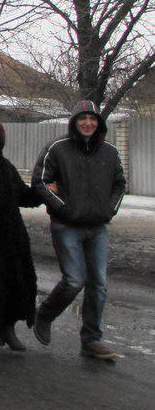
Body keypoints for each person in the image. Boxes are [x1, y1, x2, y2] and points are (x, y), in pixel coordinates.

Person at [31, 100, 125, 360]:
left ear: (99, 123)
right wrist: (63, 208)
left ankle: (91, 340)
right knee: (74, 281)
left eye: (92, 119)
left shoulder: (109, 152)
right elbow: (39, 180)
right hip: (66, 226)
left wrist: (109, 210)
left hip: (97, 227)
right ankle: (45, 314)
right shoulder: (57, 148)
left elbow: (120, 183)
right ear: (74, 121)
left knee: (99, 284)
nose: (88, 123)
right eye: (82, 118)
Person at [0, 120, 41, 351]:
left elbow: (22, 196)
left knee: (16, 284)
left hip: (12, 237)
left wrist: (42, 192)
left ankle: (8, 328)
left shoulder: (6, 167)